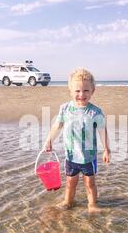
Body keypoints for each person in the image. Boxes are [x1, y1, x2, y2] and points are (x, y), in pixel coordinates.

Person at [43, 69, 110, 213]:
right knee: (70, 183)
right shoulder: (65, 108)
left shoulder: (95, 112)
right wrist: (49, 140)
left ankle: (92, 205)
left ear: (93, 91)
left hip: (88, 157)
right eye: (77, 91)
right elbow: (57, 125)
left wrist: (106, 149)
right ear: (70, 91)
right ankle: (68, 201)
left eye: (86, 90)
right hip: (71, 156)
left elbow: (102, 130)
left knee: (89, 183)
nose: (81, 94)